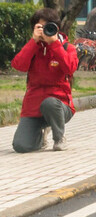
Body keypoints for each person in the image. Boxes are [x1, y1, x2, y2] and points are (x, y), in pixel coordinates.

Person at [11, 8, 78, 152]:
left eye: (49, 27)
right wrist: (33, 41)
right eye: (40, 27)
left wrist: (54, 44)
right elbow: (18, 65)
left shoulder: (67, 48)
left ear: (56, 28)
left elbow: (70, 68)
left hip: (59, 106)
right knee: (21, 146)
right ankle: (40, 137)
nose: (45, 31)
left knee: (50, 103)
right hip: (33, 106)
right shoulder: (33, 48)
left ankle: (59, 138)